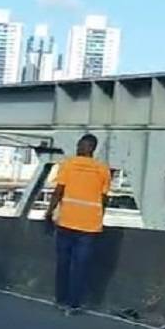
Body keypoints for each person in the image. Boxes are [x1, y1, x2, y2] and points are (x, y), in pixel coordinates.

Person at [44, 134, 111, 315]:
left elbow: (58, 191)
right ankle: (74, 304)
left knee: (63, 263)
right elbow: (104, 198)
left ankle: (60, 299)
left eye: (80, 144)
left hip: (66, 222)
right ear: (93, 149)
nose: (79, 147)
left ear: (84, 147)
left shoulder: (68, 164)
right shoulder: (103, 169)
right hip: (89, 227)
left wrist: (49, 213)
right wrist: (99, 217)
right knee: (80, 266)